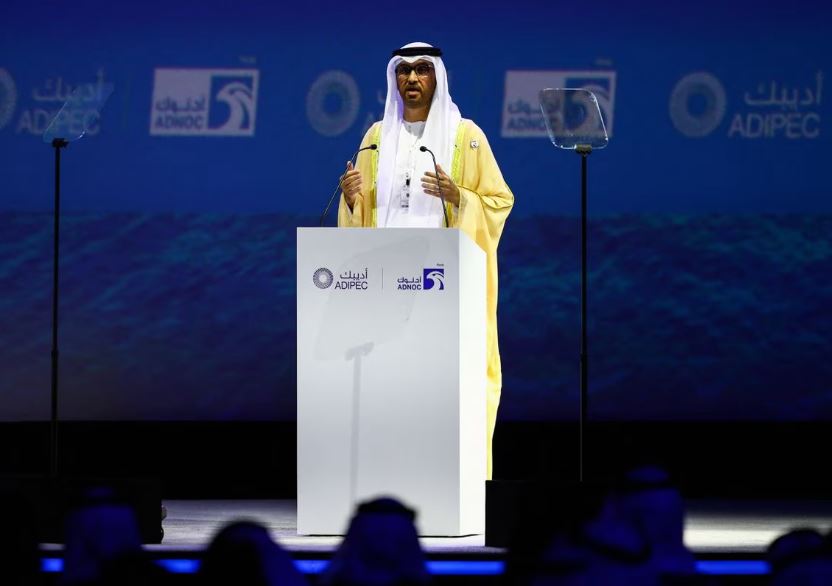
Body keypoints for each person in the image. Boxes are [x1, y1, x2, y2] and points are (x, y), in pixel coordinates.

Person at [338, 42, 513, 479]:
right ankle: (387, 480)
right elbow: (363, 215)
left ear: (437, 77)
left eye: (422, 70)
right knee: (390, 389)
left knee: (443, 389)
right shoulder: (375, 138)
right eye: (404, 70)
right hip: (385, 287)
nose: (412, 78)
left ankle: (450, 482)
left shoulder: (466, 136)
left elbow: (499, 202)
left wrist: (461, 197)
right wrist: (351, 197)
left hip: (441, 286)